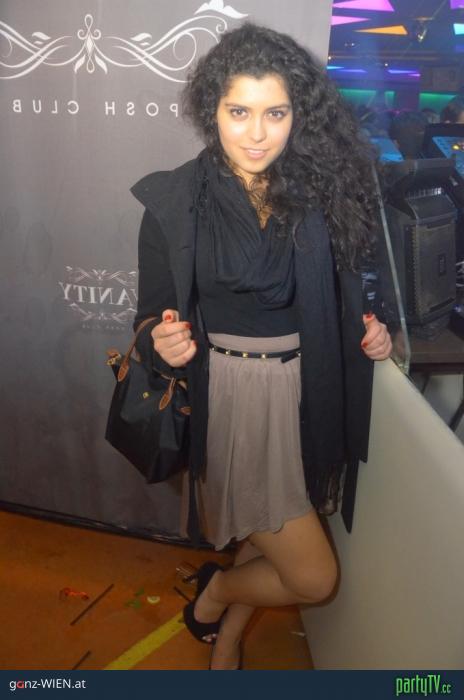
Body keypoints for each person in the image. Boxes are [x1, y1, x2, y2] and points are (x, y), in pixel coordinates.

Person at [131, 23, 392, 670]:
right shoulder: (174, 201)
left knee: (267, 528)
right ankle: (216, 593)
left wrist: (371, 327)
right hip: (237, 398)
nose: (256, 133)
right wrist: (161, 341)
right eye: (238, 112)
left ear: (297, 115)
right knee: (314, 578)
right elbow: (149, 319)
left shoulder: (319, 191)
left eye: (275, 113)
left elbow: (346, 293)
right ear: (211, 110)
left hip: (308, 387)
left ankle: (225, 634)